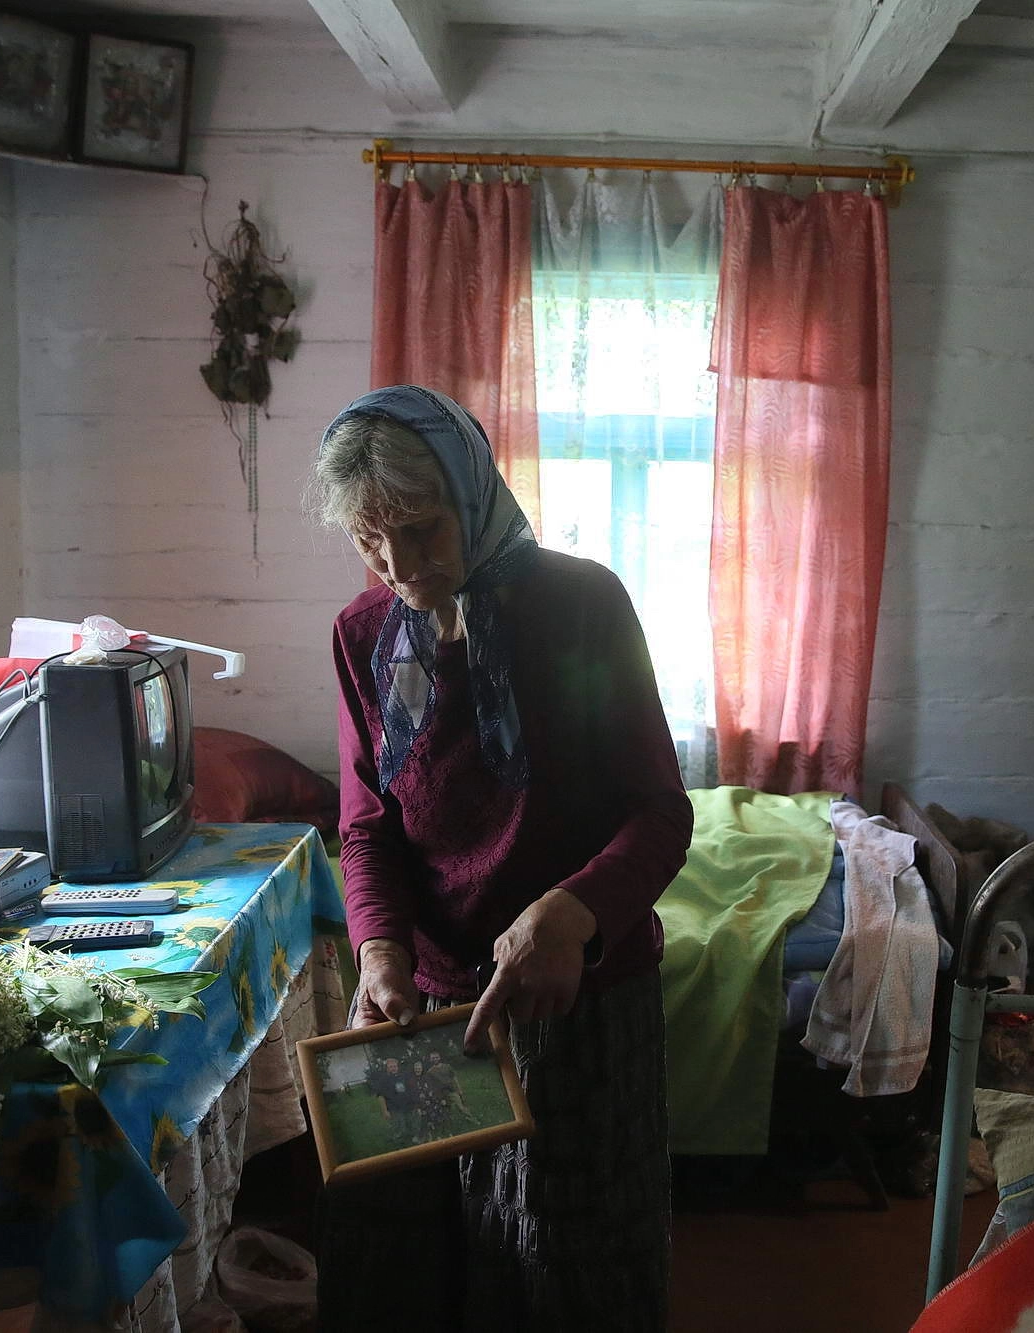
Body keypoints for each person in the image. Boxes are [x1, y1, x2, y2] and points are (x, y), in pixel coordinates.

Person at [315, 385, 692, 1332]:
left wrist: (568, 912)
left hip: (577, 1009)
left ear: (472, 494)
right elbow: (367, 826)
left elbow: (660, 812)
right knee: (419, 1268)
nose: (398, 565)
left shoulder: (580, 606)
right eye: (370, 538)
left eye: (423, 528)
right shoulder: (363, 636)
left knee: (569, 1269)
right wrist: (381, 956)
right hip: (431, 1013)